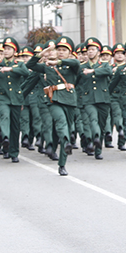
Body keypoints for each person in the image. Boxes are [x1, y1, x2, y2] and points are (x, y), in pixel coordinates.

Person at [27, 37, 81, 176]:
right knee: (61, 122)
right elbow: (30, 65)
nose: (61, 52)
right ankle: (66, 141)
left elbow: (76, 62)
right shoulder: (47, 66)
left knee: (66, 130)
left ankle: (62, 164)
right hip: (53, 99)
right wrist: (42, 53)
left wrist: (59, 61)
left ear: (69, 53)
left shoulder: (71, 64)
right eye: (59, 50)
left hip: (69, 100)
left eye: (64, 50)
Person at [78, 37, 113, 158]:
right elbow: (76, 80)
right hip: (88, 99)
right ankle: (96, 137)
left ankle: (98, 150)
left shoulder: (104, 65)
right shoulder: (82, 66)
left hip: (103, 98)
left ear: (98, 52)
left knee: (102, 124)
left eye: (93, 49)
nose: (90, 52)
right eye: (88, 50)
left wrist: (92, 71)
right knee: (93, 119)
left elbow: (108, 72)